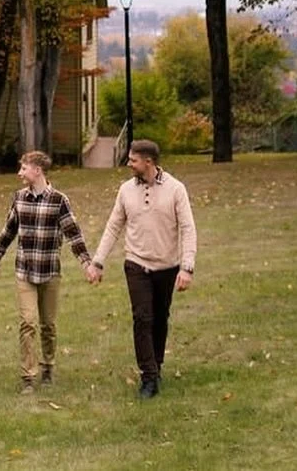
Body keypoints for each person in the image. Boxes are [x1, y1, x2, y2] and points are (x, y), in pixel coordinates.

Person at [86, 138, 197, 399]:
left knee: (160, 318)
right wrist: (98, 261)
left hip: (167, 266)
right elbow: (114, 226)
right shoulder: (125, 190)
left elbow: (188, 228)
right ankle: (148, 377)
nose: (128, 164)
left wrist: (187, 266)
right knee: (142, 318)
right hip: (136, 263)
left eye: (133, 160)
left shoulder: (176, 189)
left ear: (149, 162)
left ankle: (156, 365)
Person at [0, 150, 94, 393]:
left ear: (37, 170)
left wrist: (87, 263)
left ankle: (48, 366)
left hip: (50, 272)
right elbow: (9, 230)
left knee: (48, 324)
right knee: (28, 322)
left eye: (23, 168)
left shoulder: (59, 200)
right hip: (25, 270)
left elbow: (73, 234)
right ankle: (28, 376)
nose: (19, 173)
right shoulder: (19, 198)